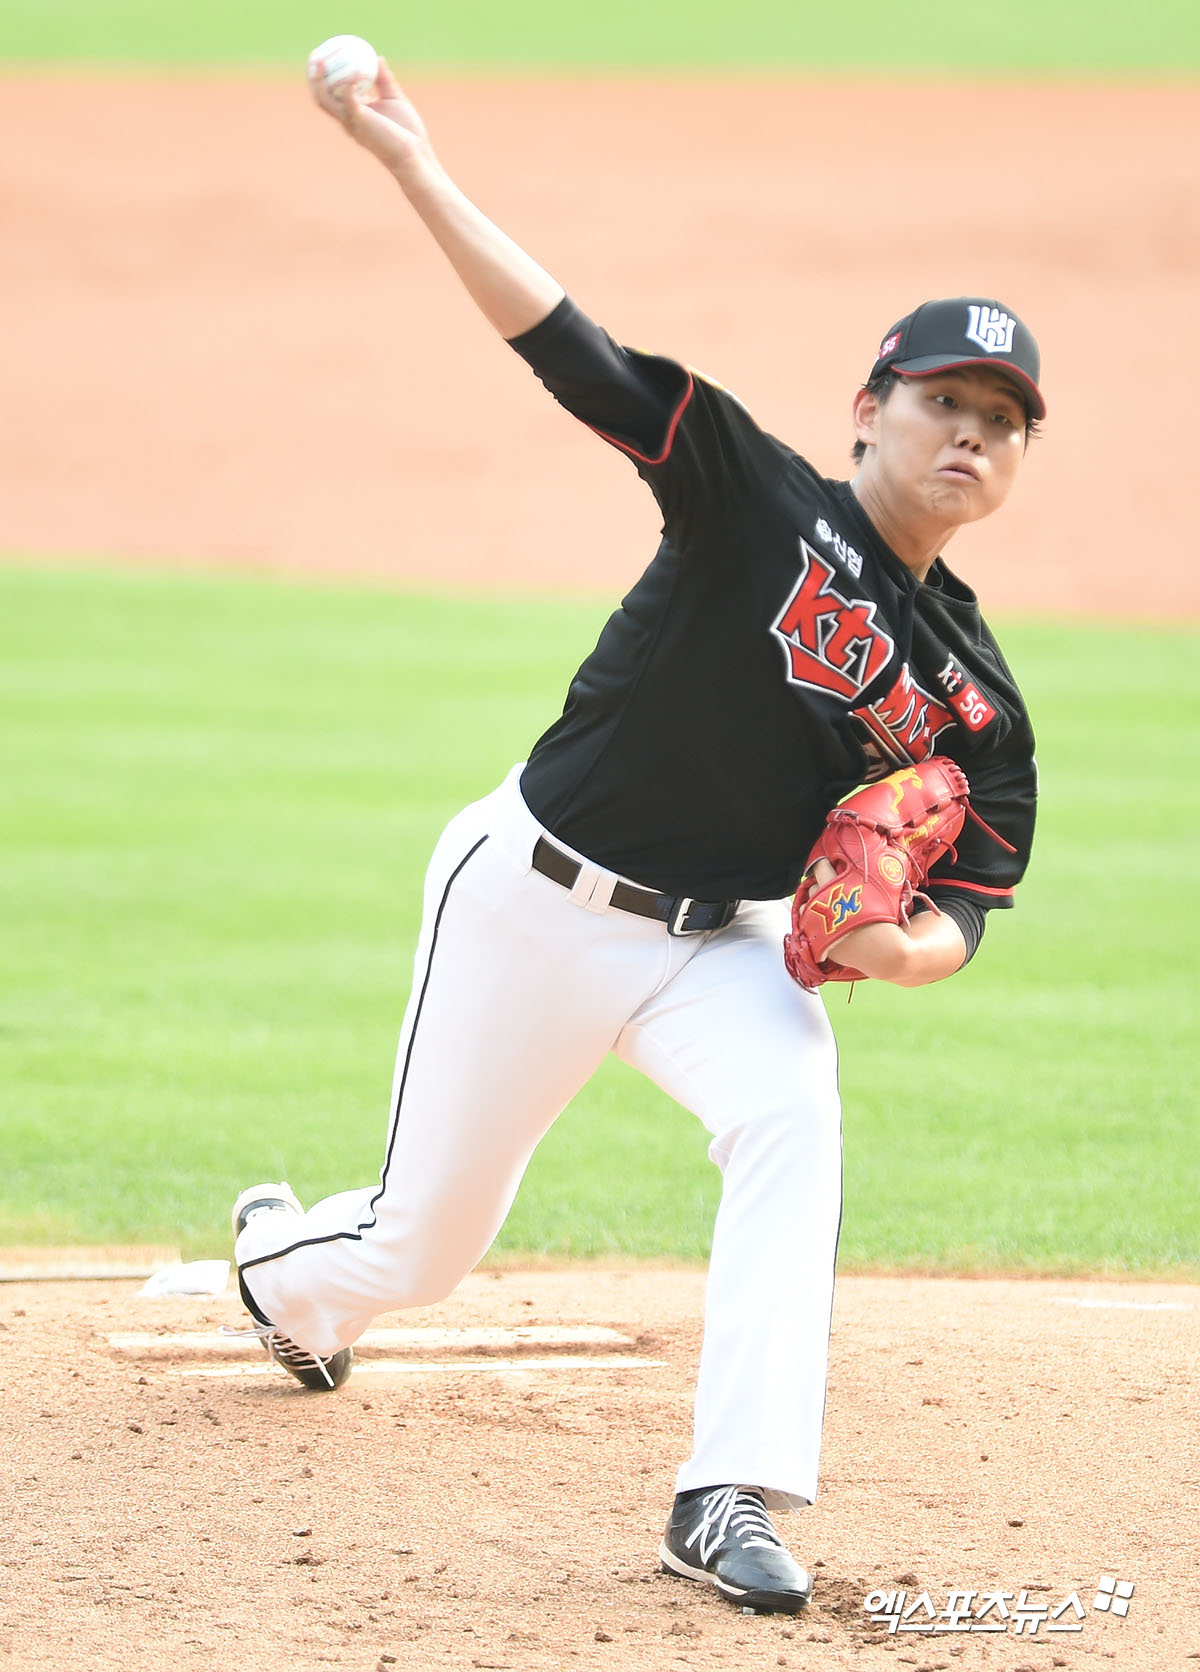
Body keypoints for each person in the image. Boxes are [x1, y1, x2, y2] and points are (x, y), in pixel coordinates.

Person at [230, 56, 1041, 1616]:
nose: (969, 434)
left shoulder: (975, 697)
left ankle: (730, 1494)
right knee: (418, 1251)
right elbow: (570, 348)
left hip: (723, 945)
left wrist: (903, 950)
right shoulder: (754, 493)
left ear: (1016, 465)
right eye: (944, 400)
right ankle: (281, 1272)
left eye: (1001, 422)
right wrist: (411, 164)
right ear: (869, 411)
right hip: (533, 903)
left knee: (795, 1115)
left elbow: (978, 892)